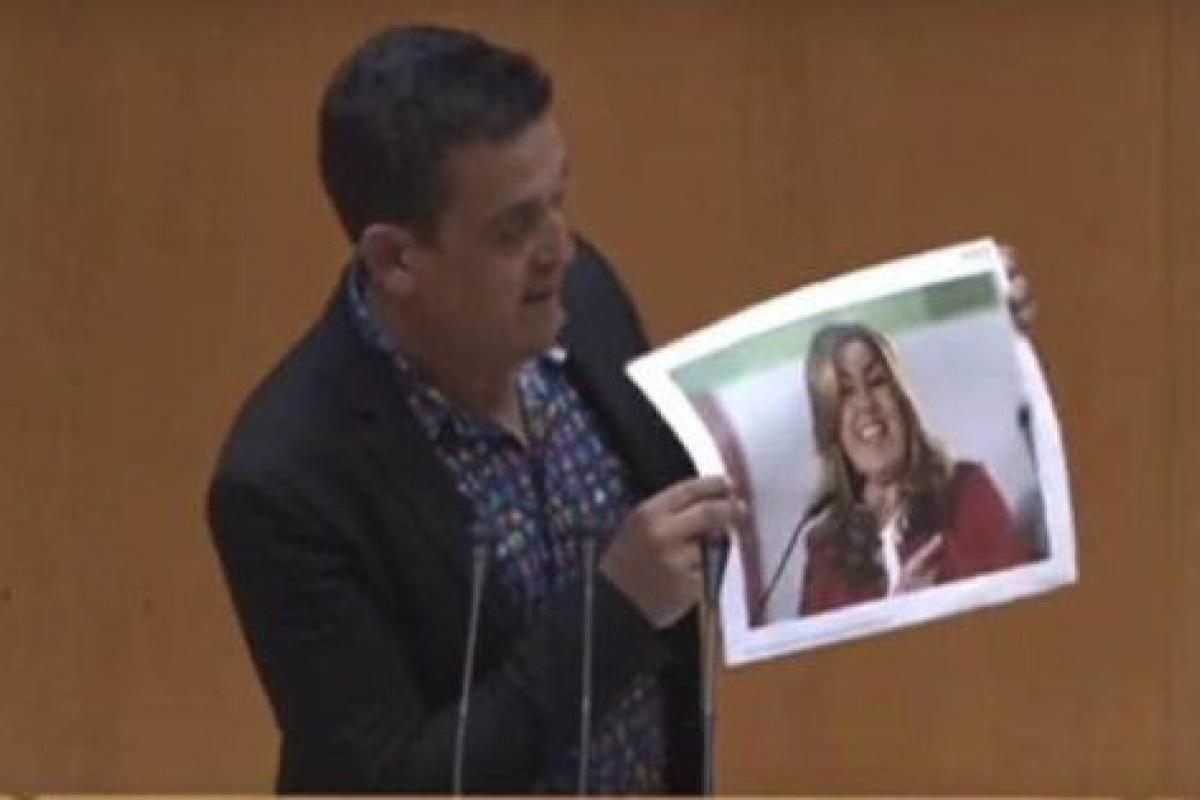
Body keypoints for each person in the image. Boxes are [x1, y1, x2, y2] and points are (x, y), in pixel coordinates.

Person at [206, 25, 745, 795]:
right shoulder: (284, 480)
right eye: (514, 228)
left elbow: (689, 525)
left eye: (558, 199)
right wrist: (616, 612)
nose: (560, 248)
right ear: (396, 259)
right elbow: (398, 782)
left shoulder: (583, 297)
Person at [796, 323, 1035, 615]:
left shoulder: (968, 490)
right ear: (829, 425)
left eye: (877, 381)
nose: (866, 404)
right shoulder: (823, 550)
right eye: (846, 393)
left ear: (902, 400)